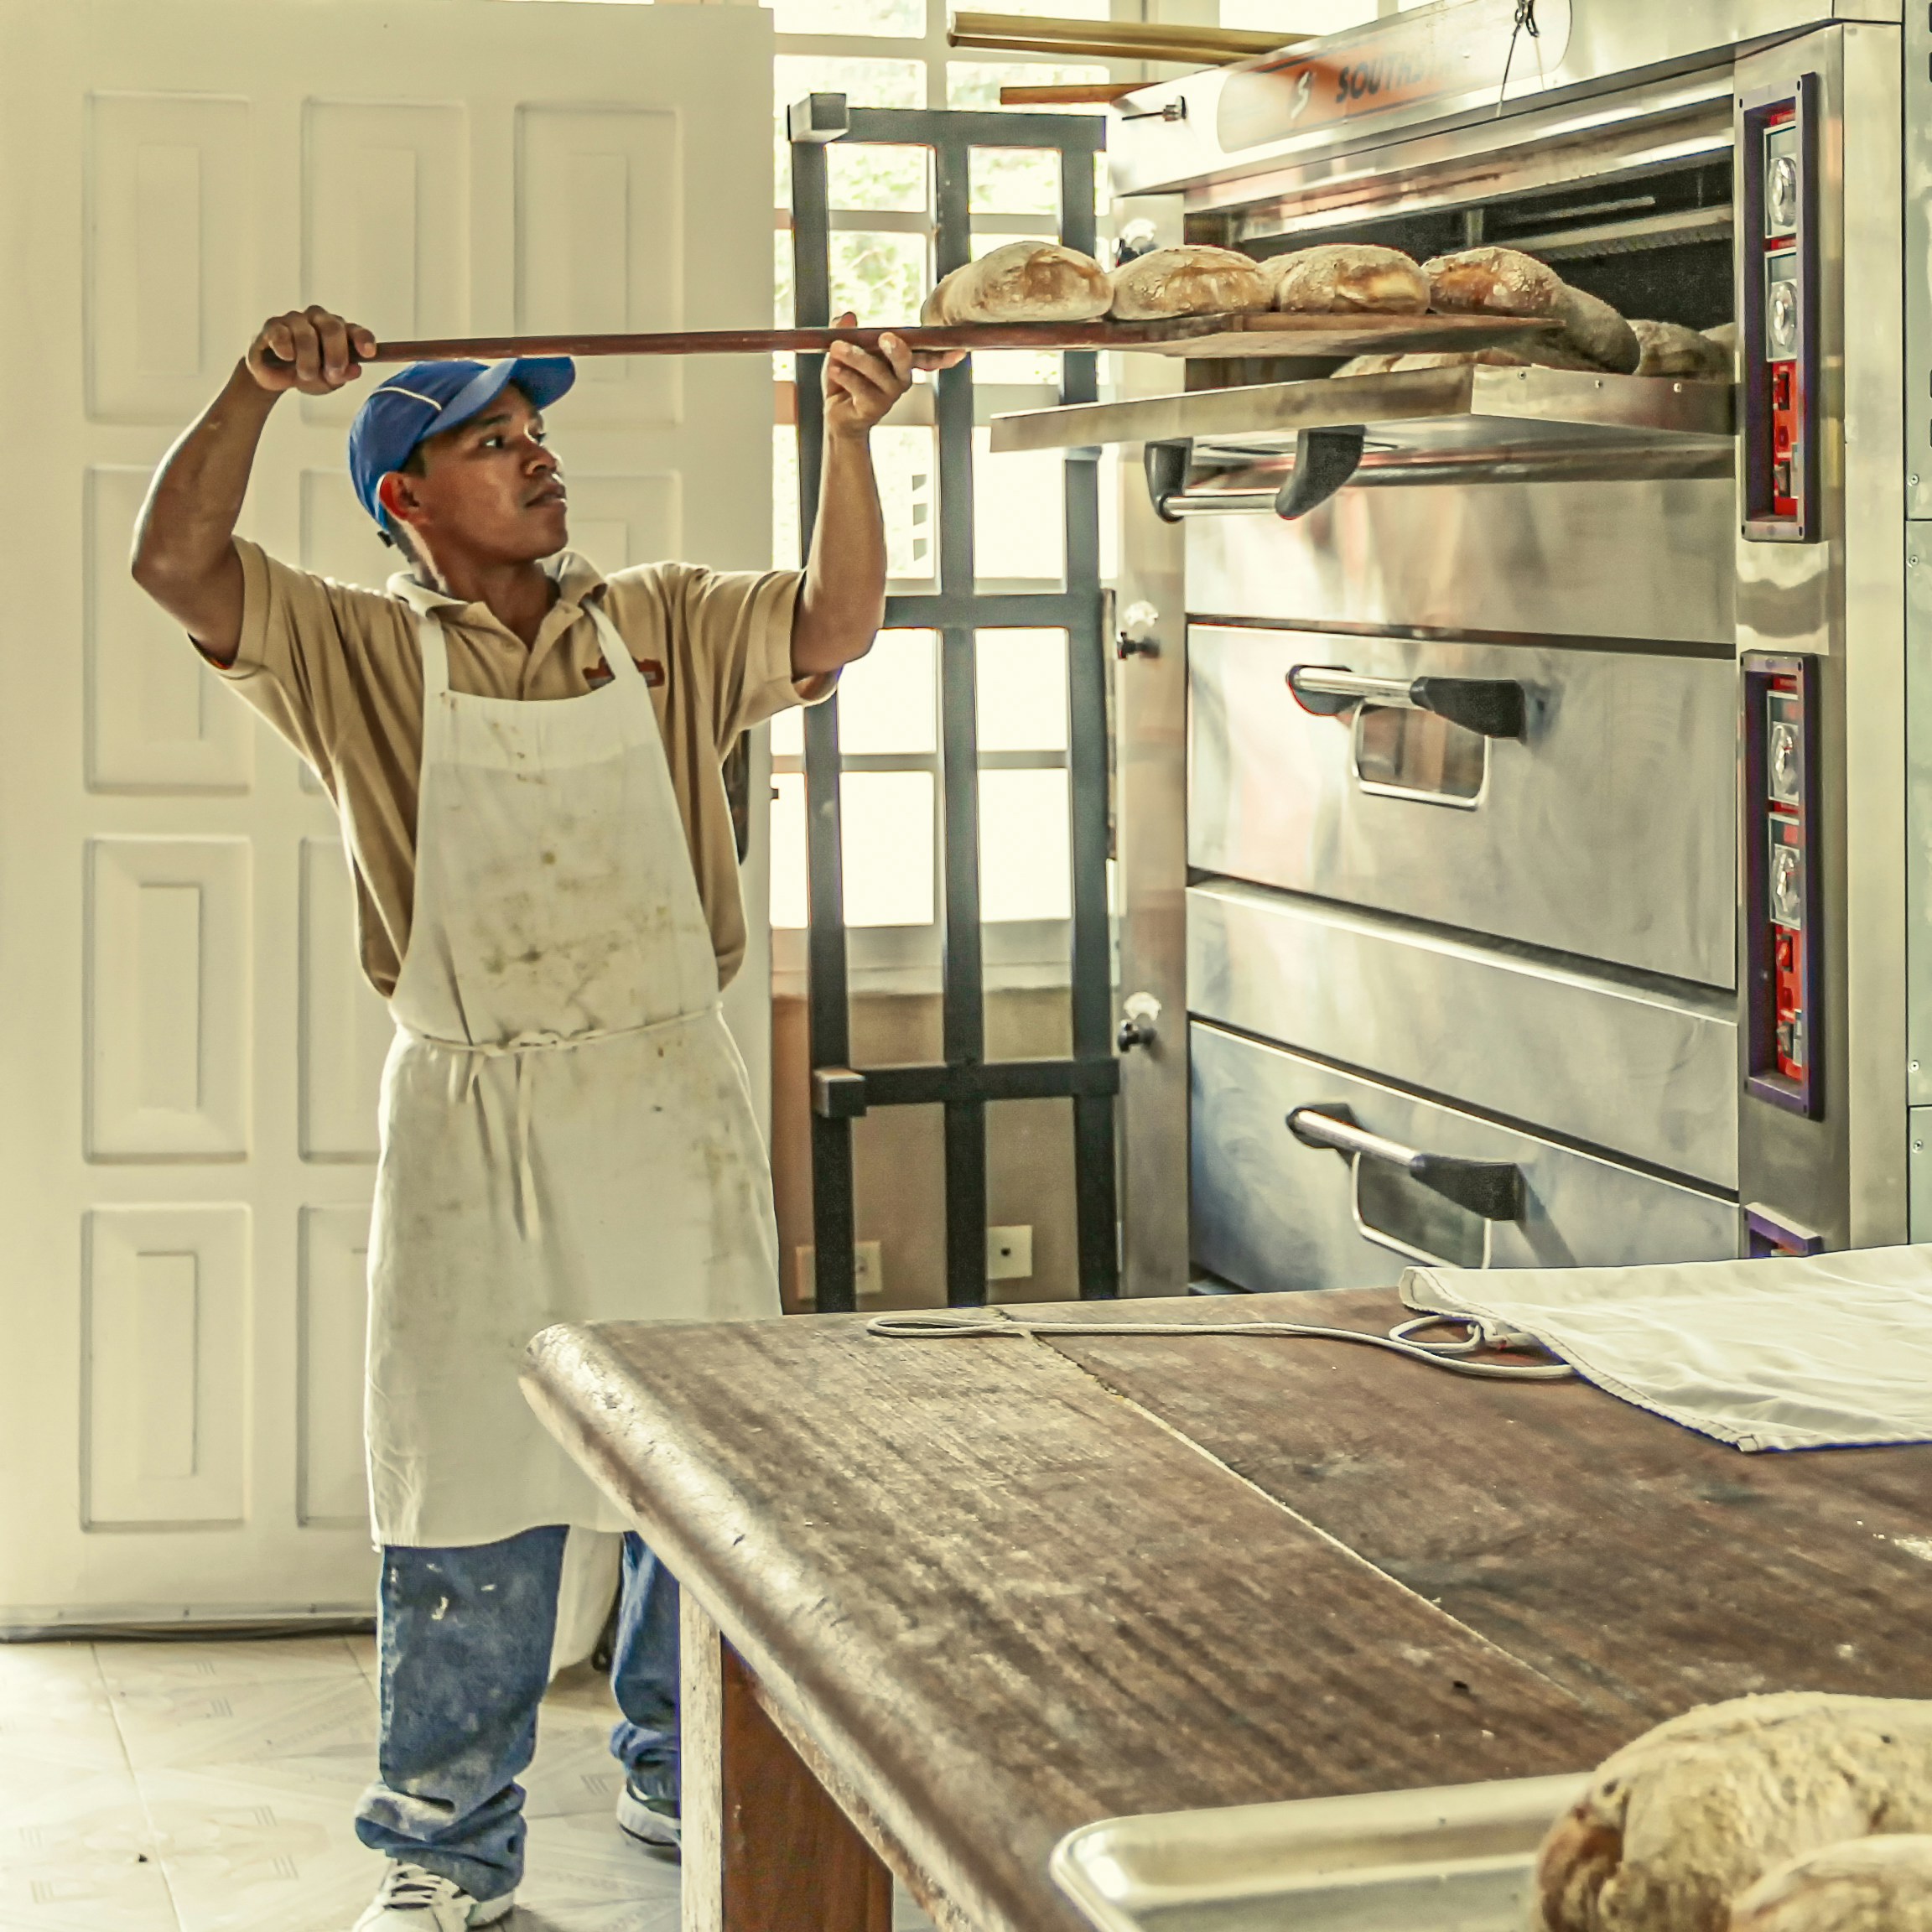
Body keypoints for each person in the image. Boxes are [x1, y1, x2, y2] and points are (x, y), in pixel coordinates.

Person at [131, 303, 952, 1932]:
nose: (538, 458)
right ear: (405, 498)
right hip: (476, 1111)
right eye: (493, 443)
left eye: (537, 433)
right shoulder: (357, 655)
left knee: (705, 1470)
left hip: (664, 1096)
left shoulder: (658, 624)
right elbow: (176, 564)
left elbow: (837, 622)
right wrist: (252, 385)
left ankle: (678, 1767)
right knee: (463, 1478)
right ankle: (445, 1847)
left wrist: (852, 436)